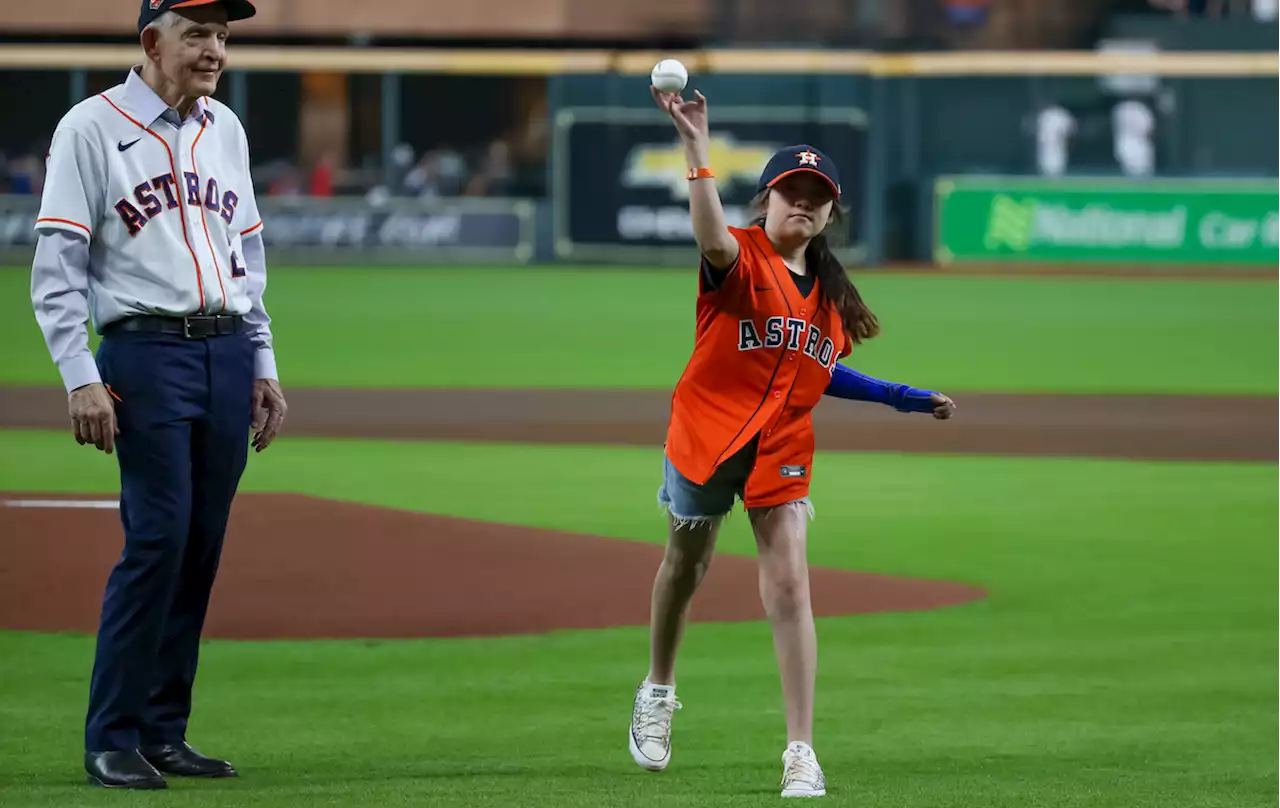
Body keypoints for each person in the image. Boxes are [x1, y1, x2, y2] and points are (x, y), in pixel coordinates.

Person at [628, 85, 956, 798]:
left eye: (815, 195)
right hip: (705, 432)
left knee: (789, 582)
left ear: (831, 212)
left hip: (781, 443)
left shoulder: (831, 302)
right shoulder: (737, 257)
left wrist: (902, 398)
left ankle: (800, 750)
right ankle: (657, 690)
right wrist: (696, 153)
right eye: (789, 191)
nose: (800, 202)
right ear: (767, 201)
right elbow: (710, 237)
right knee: (686, 564)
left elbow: (824, 370)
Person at [29, 0, 286, 790]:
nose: (214, 50)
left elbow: (245, 256)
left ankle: (164, 731)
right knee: (158, 542)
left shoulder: (227, 129)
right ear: (152, 41)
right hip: (144, 354)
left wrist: (264, 358)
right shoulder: (90, 127)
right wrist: (80, 376)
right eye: (198, 33)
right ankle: (111, 734)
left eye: (223, 36)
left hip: (228, 349)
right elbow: (58, 266)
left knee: (199, 548)